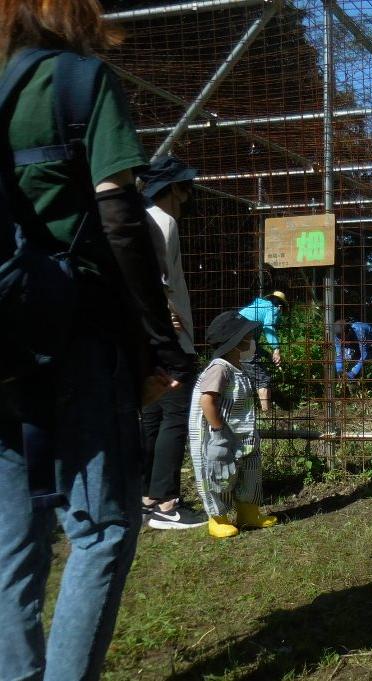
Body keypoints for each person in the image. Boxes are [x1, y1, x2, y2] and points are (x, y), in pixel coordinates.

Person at [0, 2, 191, 678]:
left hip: (2, 343)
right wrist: (158, 339)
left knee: (14, 536)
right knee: (103, 525)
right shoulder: (79, 81)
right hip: (77, 330)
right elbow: (117, 216)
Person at [138, 155, 205, 529]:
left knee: (152, 414)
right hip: (171, 336)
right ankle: (166, 504)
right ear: (173, 190)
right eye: (186, 185)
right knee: (175, 415)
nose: (190, 193)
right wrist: (166, 317)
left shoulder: (140, 219)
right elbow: (156, 279)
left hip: (147, 337)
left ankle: (147, 496)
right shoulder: (164, 223)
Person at [187, 311, 278, 539]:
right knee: (220, 477)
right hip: (223, 437)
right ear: (235, 342)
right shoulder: (220, 368)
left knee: (250, 473)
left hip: (244, 436)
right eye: (247, 337)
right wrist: (218, 431)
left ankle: (249, 513)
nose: (252, 341)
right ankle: (218, 518)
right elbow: (206, 400)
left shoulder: (239, 367)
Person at [238, 290, 287, 411]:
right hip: (242, 345)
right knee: (263, 379)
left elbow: (251, 344)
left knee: (242, 378)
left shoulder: (257, 308)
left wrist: (267, 355)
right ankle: (267, 414)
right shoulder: (272, 308)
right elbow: (268, 326)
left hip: (232, 344)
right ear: (280, 306)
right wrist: (276, 349)